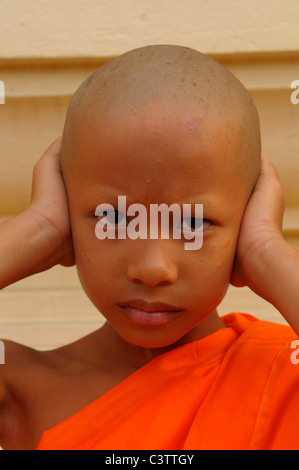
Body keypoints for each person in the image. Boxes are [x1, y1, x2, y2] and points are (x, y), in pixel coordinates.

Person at [1, 45, 299, 450]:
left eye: (195, 223)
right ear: (67, 216)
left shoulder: (283, 372)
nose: (153, 267)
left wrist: (267, 250)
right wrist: (36, 229)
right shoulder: (20, 388)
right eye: (114, 218)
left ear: (245, 221)